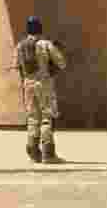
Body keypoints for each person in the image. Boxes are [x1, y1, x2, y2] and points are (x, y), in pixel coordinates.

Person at [14, 15, 66, 164]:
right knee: (46, 118)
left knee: (32, 118)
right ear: (40, 28)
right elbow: (61, 63)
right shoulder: (45, 44)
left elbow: (16, 65)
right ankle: (48, 154)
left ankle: (33, 153)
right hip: (44, 84)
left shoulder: (20, 45)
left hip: (28, 84)